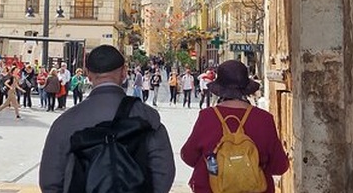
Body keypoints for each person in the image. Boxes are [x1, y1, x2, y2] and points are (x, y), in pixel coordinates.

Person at [39, 45, 176, 193]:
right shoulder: (147, 117)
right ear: (124, 72)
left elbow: (50, 181)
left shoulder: (66, 122)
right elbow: (164, 171)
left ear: (88, 75)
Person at [181, 60, 289, 192]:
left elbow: (188, 156)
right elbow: (279, 166)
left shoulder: (207, 117)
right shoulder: (264, 119)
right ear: (246, 89)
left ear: (219, 89)